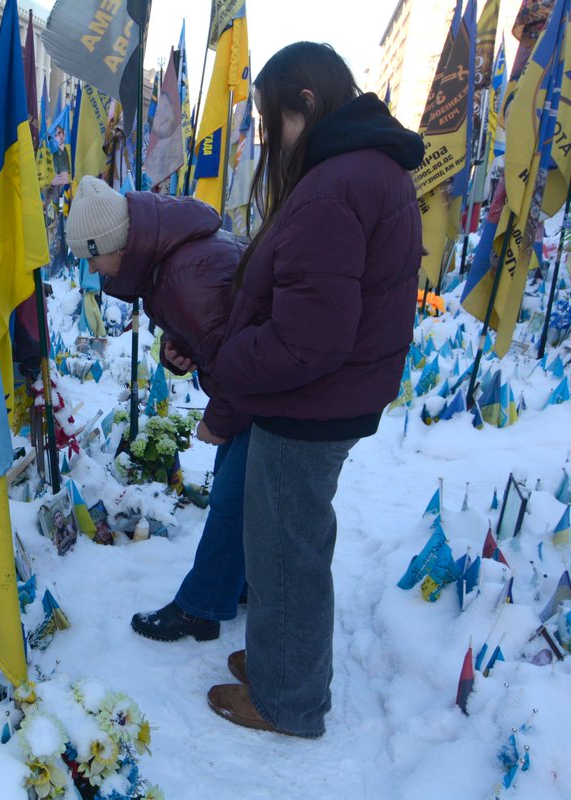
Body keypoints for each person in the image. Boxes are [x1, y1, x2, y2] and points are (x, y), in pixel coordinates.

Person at [204, 43, 423, 738]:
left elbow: (311, 338)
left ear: (305, 101)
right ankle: (282, 662)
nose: (270, 141)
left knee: (285, 555)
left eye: (272, 122)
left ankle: (288, 699)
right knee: (290, 544)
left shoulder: (336, 184)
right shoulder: (359, 171)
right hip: (329, 399)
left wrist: (232, 356)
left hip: (311, 404)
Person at [64, 173, 249, 644]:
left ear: (113, 243)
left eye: (92, 256)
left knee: (232, 496)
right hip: (262, 391)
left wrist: (218, 419)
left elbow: (238, 362)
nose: (93, 270)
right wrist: (178, 346)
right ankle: (237, 582)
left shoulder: (182, 277)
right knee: (239, 489)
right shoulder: (171, 258)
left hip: (264, 395)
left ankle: (202, 608)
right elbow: (207, 331)